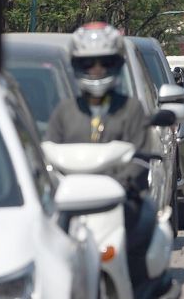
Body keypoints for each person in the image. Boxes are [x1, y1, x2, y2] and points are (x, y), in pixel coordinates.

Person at [45, 22, 153, 253]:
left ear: (117, 64)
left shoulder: (132, 109)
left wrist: (120, 186)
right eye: (88, 63)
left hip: (120, 203)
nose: (97, 69)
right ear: (76, 65)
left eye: (105, 62)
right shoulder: (64, 111)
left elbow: (142, 158)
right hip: (71, 204)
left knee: (145, 228)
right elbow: (47, 156)